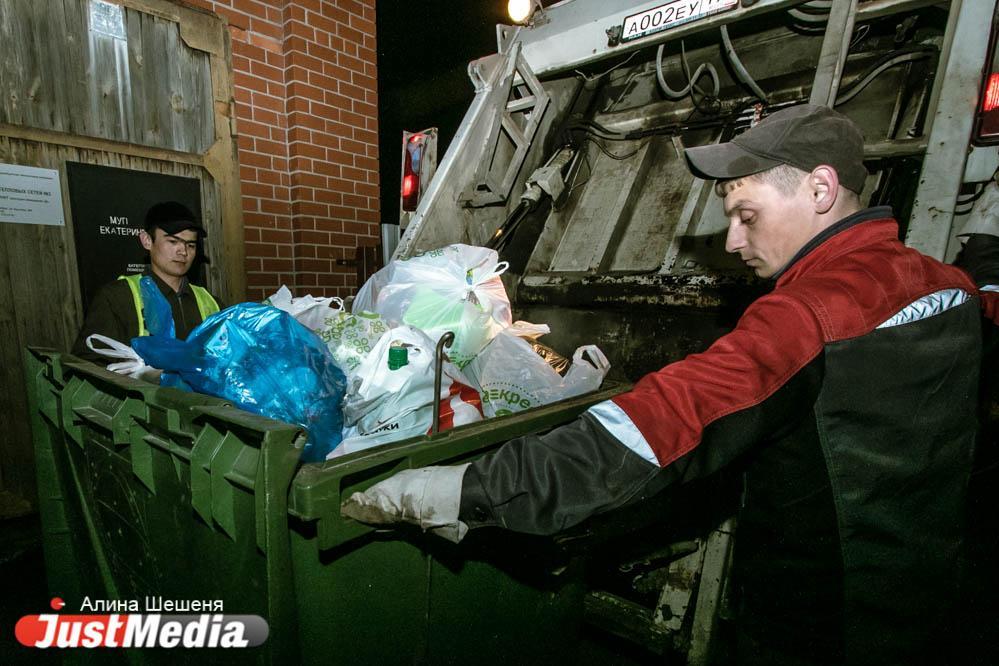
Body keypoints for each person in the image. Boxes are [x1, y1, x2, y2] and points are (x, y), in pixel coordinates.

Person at [341, 105, 993, 664]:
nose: (733, 241)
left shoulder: (806, 314)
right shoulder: (948, 285)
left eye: (746, 214)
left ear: (819, 190)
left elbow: (658, 424)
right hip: (927, 589)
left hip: (823, 619)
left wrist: (461, 488)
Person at [72, 201, 222, 368]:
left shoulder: (212, 303)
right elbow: (88, 367)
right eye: (173, 241)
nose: (183, 251)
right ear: (147, 240)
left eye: (191, 245)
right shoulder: (117, 298)